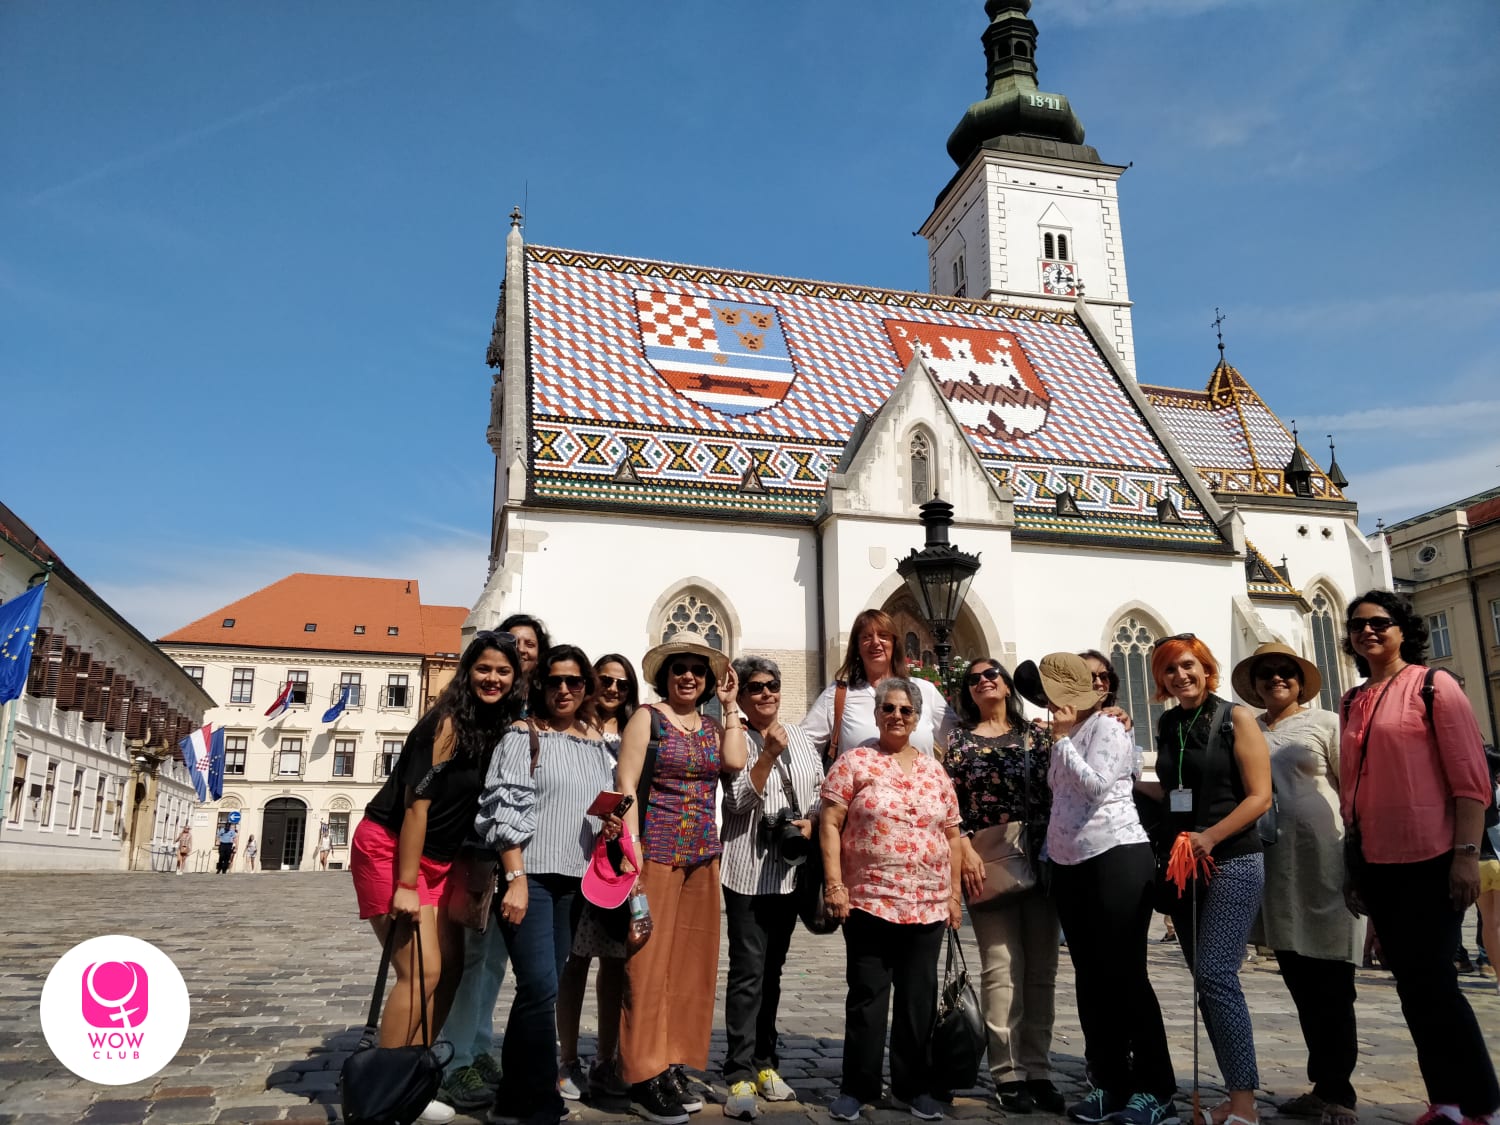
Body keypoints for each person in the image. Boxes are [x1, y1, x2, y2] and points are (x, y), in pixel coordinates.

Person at [1339, 591, 1499, 1125]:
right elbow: (1353, 791)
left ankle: (1484, 1104)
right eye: (1359, 625)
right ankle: (1446, 1101)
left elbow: (1471, 781)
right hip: (1378, 858)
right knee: (1411, 985)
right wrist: (1354, 864)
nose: (1369, 632)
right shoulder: (1352, 700)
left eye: (1380, 622)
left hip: (1432, 855)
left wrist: (1466, 856)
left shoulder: (1435, 686)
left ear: (1402, 629)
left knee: (1436, 982)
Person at [351, 630, 522, 1125]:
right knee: (419, 972)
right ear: (468, 671)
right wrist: (406, 883)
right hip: (392, 848)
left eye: (503, 671)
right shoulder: (447, 721)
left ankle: (415, 1082)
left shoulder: (499, 725)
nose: (493, 678)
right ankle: (379, 1098)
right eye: (484, 668)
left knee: (446, 969)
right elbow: (415, 808)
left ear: (515, 680)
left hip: (440, 860)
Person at [1022, 653, 1176, 1125]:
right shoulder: (1064, 730)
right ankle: (1109, 1081)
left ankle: (1155, 1088)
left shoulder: (1110, 727)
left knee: (1125, 975)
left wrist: (1064, 740)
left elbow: (1093, 787)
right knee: (1090, 979)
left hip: (1115, 856)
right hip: (1071, 863)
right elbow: (1061, 798)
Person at [477, 644, 620, 1125]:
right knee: (538, 986)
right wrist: (514, 878)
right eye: (555, 680)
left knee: (547, 988)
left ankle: (519, 1097)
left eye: (574, 682)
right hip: (532, 878)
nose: (564, 689)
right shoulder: (523, 736)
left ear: (586, 689)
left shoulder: (596, 745)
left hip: (576, 884)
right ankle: (531, 1098)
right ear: (540, 686)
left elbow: (597, 809)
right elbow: (503, 808)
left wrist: (610, 825)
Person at [820, 676, 962, 1123]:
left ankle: (913, 1087)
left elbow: (953, 834)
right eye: (888, 708)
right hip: (869, 899)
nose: (896, 716)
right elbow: (829, 823)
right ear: (877, 714)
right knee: (867, 996)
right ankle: (856, 1086)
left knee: (918, 998)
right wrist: (834, 884)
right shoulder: (855, 762)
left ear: (916, 718)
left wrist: (955, 895)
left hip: (928, 903)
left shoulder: (935, 770)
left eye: (905, 710)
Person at [616, 636, 746, 1125]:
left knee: (691, 966)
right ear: (665, 676)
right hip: (656, 853)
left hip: (702, 858)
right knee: (647, 967)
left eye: (697, 669)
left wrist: (731, 706)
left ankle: (671, 1061)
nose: (688, 676)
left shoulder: (713, 725)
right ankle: (642, 1072)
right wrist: (632, 861)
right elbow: (626, 786)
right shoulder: (646, 719)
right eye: (679, 669)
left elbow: (734, 762)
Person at [1230, 643, 1360, 1125]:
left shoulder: (1326, 723)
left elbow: (1353, 788)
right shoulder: (1249, 726)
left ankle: (1339, 1091)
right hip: (1275, 867)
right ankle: (1321, 1083)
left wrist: (1360, 859)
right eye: (1267, 673)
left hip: (1324, 862)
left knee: (1333, 981)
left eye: (1286, 672)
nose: (1277, 679)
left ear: (1301, 681)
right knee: (1301, 980)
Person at [1146, 634, 1272, 1125]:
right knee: (1206, 982)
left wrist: (1211, 837)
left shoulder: (1235, 717)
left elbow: (1260, 796)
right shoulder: (1169, 722)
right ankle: (1233, 1096)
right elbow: (1175, 789)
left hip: (1233, 858)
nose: (1181, 676)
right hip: (1185, 863)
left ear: (1205, 667)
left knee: (1218, 977)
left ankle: (1243, 1105)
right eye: (1170, 670)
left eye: (1188, 666)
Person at [439, 614, 550, 1111]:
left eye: (530, 645)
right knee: (469, 958)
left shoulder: (530, 707)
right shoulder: (481, 706)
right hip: (474, 849)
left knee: (493, 963)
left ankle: (478, 1047)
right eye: (514, 642)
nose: (523, 650)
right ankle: (454, 1059)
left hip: (511, 855)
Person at [943, 657, 1064, 1115]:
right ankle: (1007, 1072)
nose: (982, 682)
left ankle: (1039, 1068)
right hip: (985, 860)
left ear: (1006, 682)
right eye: (972, 679)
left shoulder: (1039, 735)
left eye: (990, 674)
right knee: (999, 968)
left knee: (1041, 971)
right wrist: (964, 849)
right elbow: (948, 804)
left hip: (1039, 857)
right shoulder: (956, 742)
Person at [720, 656, 823, 1120]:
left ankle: (766, 1061)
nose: (766, 694)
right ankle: (738, 1069)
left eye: (773, 685)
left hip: (789, 871)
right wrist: (767, 756)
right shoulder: (735, 737)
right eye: (756, 688)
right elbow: (739, 801)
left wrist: (811, 821)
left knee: (774, 972)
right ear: (740, 697)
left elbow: (821, 795)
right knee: (747, 971)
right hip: (746, 871)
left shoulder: (801, 736)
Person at [556, 652, 641, 1102]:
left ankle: (605, 1060)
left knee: (614, 963)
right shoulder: (574, 728)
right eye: (604, 680)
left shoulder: (633, 733)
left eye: (621, 684)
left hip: (614, 863)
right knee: (573, 963)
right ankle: (567, 1059)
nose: (611, 689)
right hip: (575, 855)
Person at [801, 610, 952, 760]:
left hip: (919, 783)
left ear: (894, 643)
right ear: (857, 647)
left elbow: (960, 743)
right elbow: (803, 745)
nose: (875, 642)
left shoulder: (925, 691)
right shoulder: (839, 694)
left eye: (883, 636)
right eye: (866, 637)